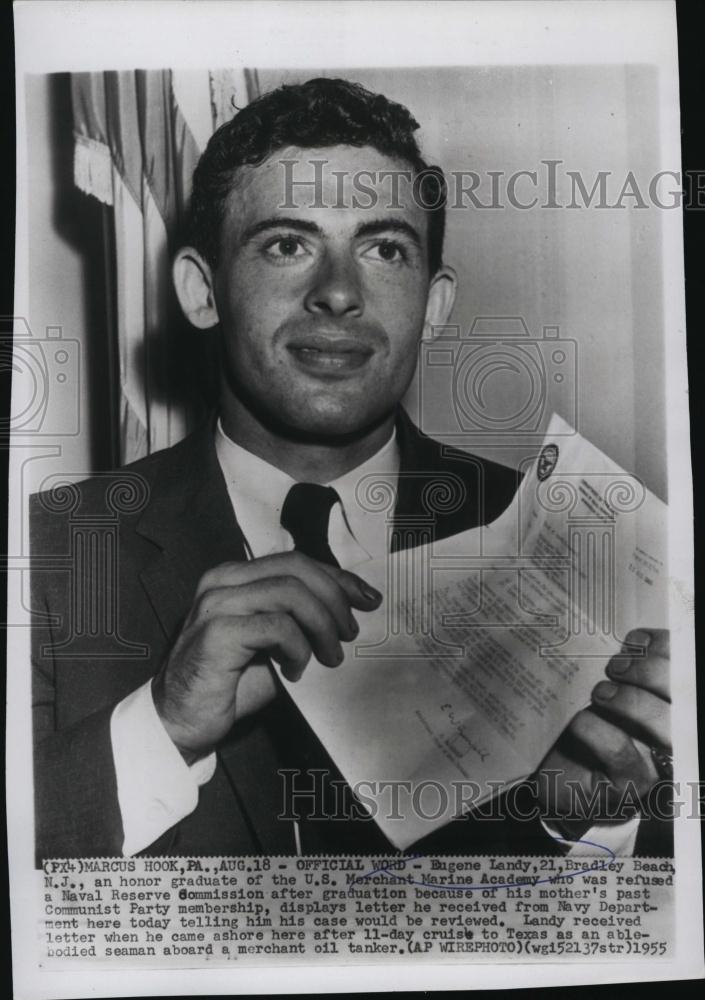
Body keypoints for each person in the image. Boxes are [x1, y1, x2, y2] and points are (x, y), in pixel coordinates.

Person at [31, 77, 672, 861]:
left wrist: (585, 822)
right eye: (286, 244)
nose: (337, 293)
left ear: (432, 307)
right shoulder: (52, 556)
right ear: (202, 291)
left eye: (383, 249)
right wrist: (161, 727)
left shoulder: (573, 551)